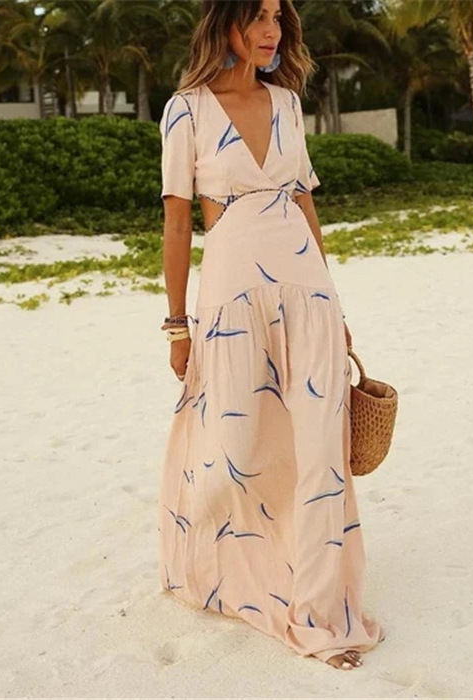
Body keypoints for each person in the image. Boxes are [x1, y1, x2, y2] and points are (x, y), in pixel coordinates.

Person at [158, 0, 384, 671]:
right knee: (235, 446)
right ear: (223, 23)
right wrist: (176, 324)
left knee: (318, 448)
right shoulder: (186, 110)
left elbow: (305, 203)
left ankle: (319, 611)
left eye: (277, 17)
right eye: (257, 15)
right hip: (232, 294)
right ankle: (225, 569)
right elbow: (177, 223)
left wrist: (333, 302)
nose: (270, 30)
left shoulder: (286, 104)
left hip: (305, 291)